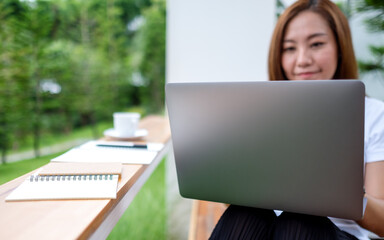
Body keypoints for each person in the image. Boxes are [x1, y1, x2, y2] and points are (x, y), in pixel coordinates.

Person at [209, 0, 384, 239]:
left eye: (316, 44)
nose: (302, 60)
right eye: (289, 48)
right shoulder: (263, 115)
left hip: (337, 233)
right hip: (268, 229)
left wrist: (343, 194)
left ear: (340, 47)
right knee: (244, 213)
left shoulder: (374, 115)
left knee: (301, 220)